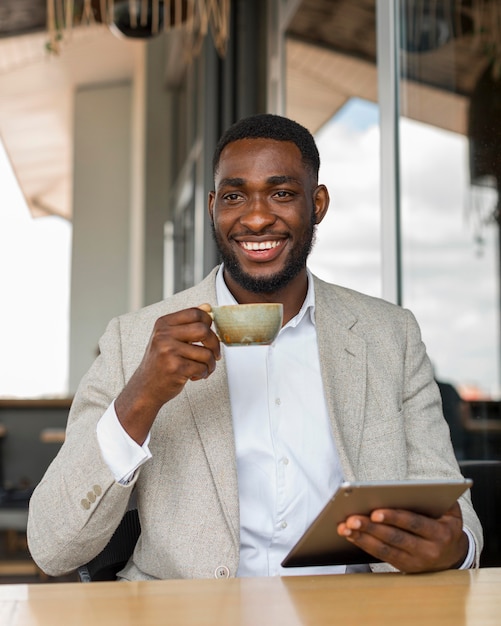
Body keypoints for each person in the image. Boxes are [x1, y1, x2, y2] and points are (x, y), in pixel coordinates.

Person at [27, 114, 482, 580]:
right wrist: (141, 396)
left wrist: (455, 549)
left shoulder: (391, 336)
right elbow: (52, 546)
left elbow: (453, 513)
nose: (258, 216)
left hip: (346, 611)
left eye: (282, 193)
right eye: (234, 196)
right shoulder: (134, 340)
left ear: (318, 203)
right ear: (212, 207)